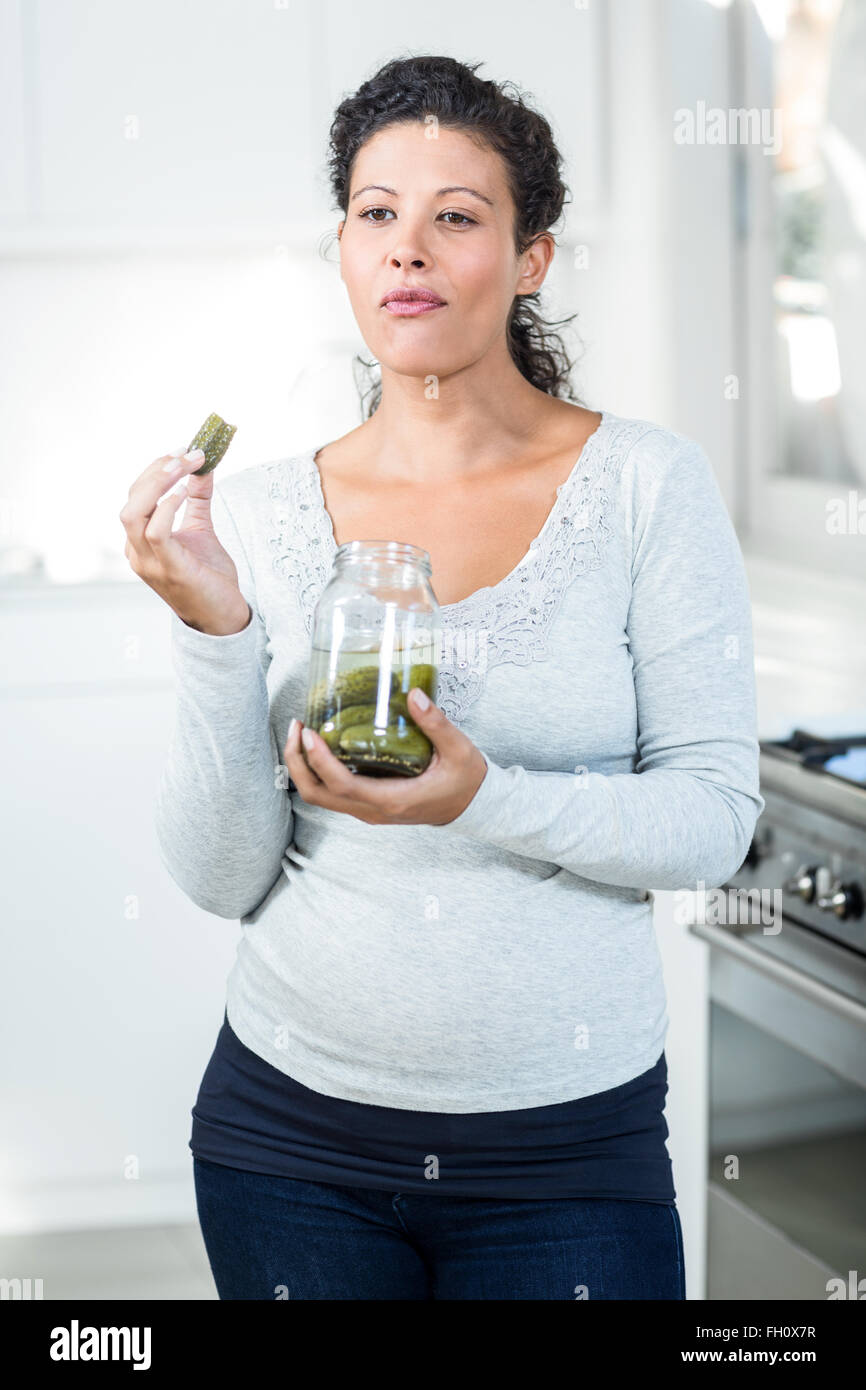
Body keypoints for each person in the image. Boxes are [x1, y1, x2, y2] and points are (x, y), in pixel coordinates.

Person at [120, 54, 764, 1300]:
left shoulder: (644, 486)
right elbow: (218, 875)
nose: (405, 249)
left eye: (454, 216)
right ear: (345, 249)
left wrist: (483, 796)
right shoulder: (255, 510)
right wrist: (213, 625)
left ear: (531, 260)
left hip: (565, 1153)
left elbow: (711, 822)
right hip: (285, 1142)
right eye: (376, 214)